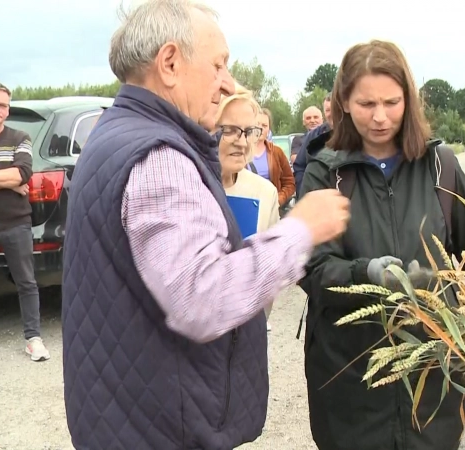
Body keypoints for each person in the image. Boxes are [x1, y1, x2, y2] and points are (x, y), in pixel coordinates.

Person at [60, 2, 350, 449]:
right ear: (170, 63)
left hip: (127, 417)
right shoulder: (160, 158)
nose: (228, 82)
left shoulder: (113, 133)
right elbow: (203, 298)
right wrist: (302, 230)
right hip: (162, 430)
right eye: (218, 65)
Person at [298, 39, 465, 450]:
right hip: (351, 380)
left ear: (409, 99)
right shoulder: (324, 174)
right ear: (344, 101)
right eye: (367, 104)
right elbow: (311, 269)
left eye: (392, 102)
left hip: (432, 378)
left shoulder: (442, 168)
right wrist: (367, 274)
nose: (380, 117)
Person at [0, 80, 50, 367]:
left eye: (3, 105)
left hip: (16, 223)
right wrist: (6, 181)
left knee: (27, 282)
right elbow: (13, 178)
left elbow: (22, 175)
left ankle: (33, 339)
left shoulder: (20, 137)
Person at [217, 85, 281, 331]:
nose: (241, 142)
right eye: (230, 130)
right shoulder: (189, 186)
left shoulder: (264, 192)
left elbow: (270, 272)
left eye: (249, 131)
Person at [248, 107, 295, 215]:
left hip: (272, 210)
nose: (260, 128)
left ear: (269, 129)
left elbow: (289, 183)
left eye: (264, 126)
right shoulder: (240, 150)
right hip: (247, 208)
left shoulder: (277, 152)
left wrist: (278, 200)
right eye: (257, 124)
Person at [293, 92, 332, 197]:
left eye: (335, 109)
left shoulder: (353, 134)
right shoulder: (313, 136)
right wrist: (303, 194)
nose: (331, 114)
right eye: (328, 110)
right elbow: (299, 165)